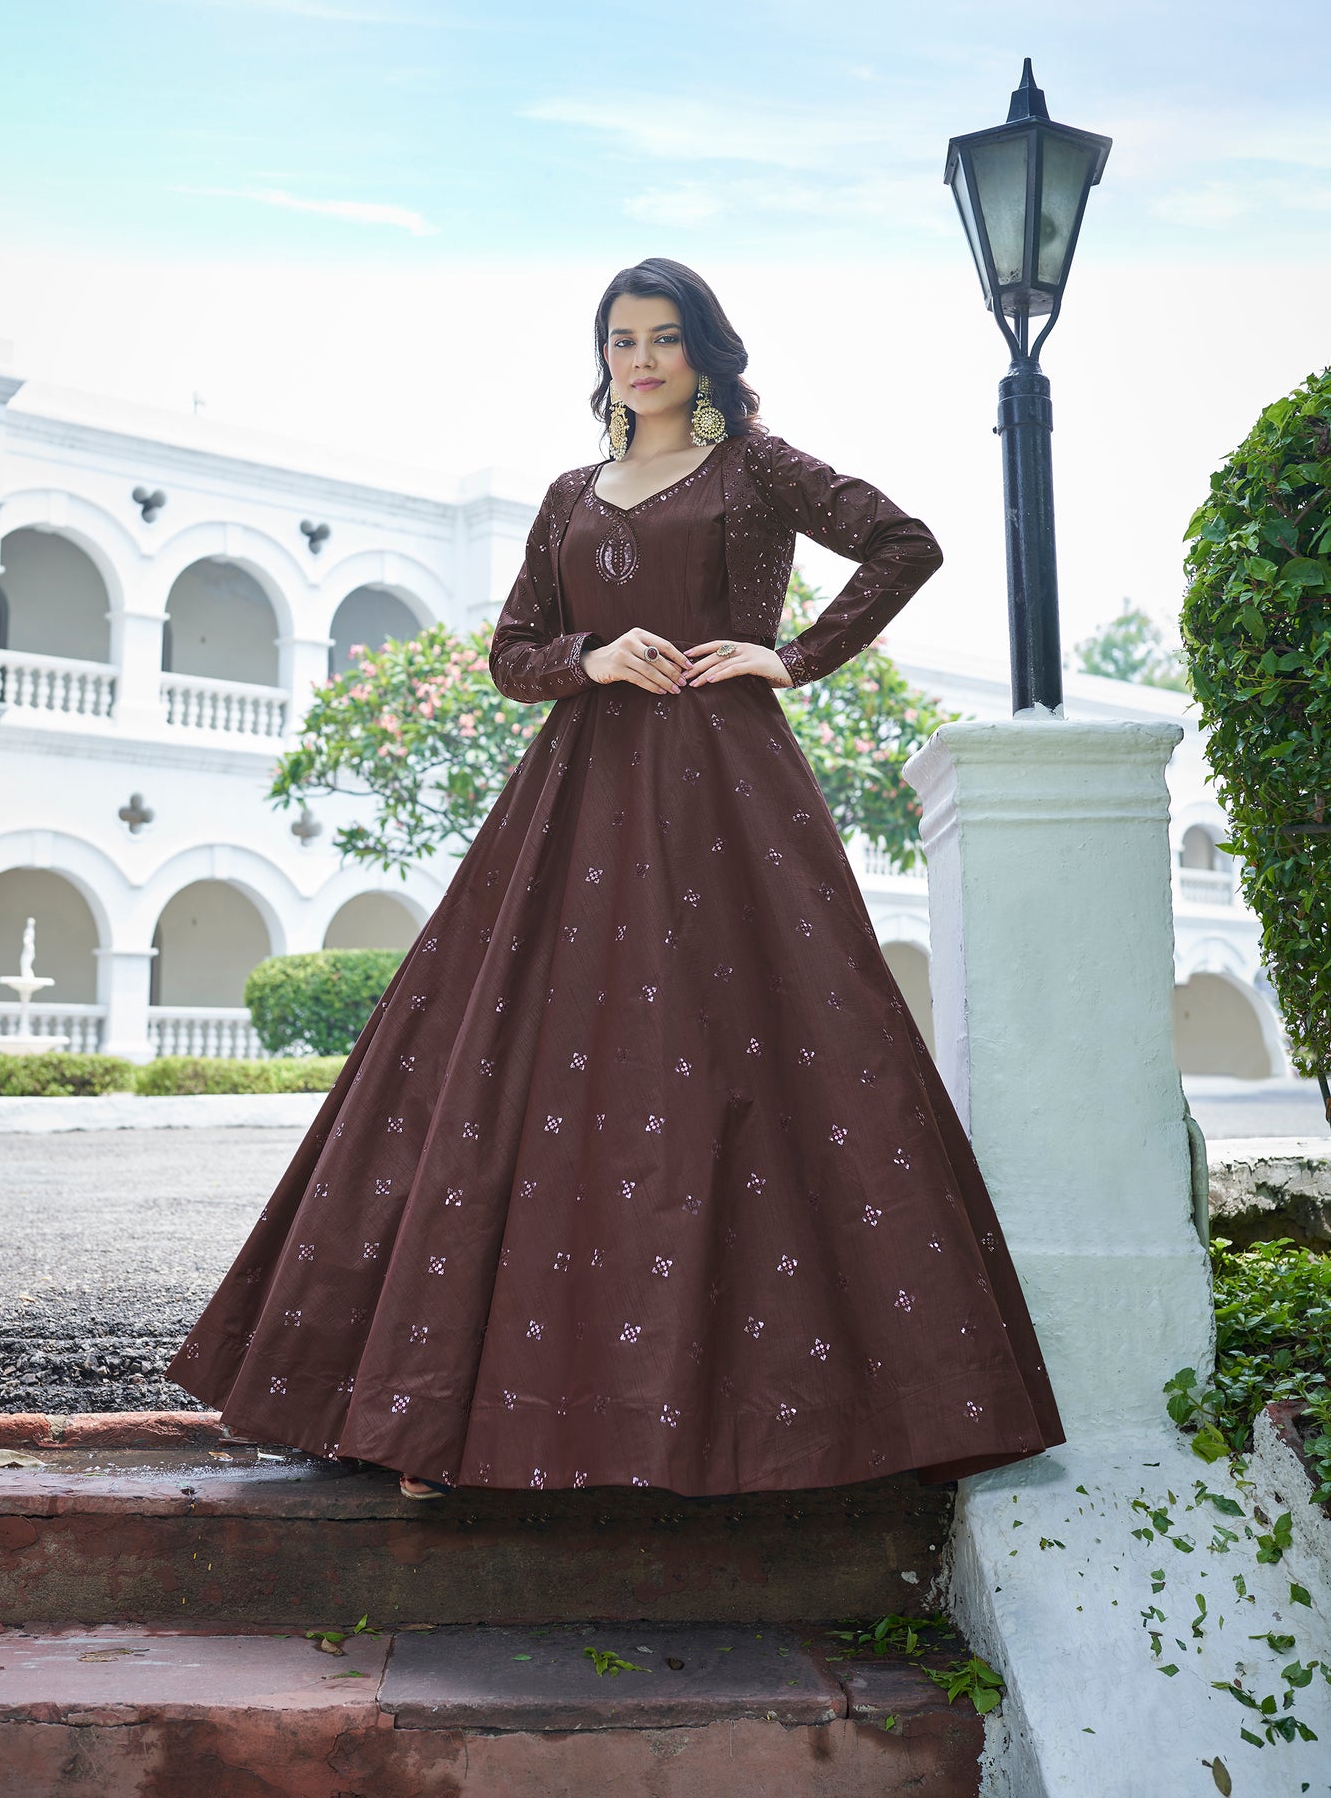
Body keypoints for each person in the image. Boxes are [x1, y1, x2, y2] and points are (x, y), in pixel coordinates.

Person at [167, 257, 1063, 1500]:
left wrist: (788, 656)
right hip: (577, 801)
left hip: (727, 794)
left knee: (746, 1056)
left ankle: (791, 1417)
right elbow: (511, 649)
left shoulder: (758, 465)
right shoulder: (566, 493)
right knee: (518, 1053)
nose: (638, 361)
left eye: (662, 339)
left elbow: (903, 544)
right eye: (619, 340)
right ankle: (440, 1408)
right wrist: (589, 658)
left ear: (704, 351)